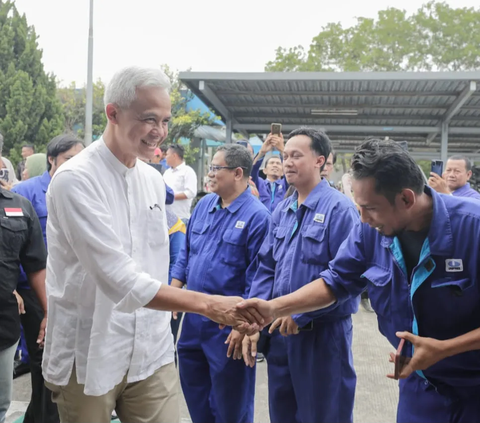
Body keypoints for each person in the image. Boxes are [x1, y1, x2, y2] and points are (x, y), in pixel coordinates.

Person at [42, 66, 257, 423]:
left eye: (165, 121)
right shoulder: (74, 181)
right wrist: (208, 305)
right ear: (112, 113)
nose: (159, 133)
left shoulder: (152, 181)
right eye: (149, 119)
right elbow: (118, 278)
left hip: (150, 349)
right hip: (91, 351)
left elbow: (157, 258)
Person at [238, 139, 480, 423]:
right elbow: (336, 280)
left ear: (406, 199)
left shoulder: (472, 229)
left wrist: (447, 348)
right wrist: (275, 308)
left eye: (370, 208)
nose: (362, 218)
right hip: (421, 384)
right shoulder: (371, 232)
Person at [243, 128, 359, 423]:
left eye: (296, 155)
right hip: (280, 335)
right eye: (284, 156)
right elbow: (266, 267)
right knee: (282, 414)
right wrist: (256, 317)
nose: (287, 162)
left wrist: (299, 314)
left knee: (323, 415)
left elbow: (348, 278)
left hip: (321, 337)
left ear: (320, 161)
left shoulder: (340, 209)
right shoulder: (282, 210)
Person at [171, 144, 270, 423]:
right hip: (194, 319)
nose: (210, 174)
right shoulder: (204, 205)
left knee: (230, 406)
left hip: (228, 327)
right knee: (195, 395)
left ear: (238, 173)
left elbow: (259, 278)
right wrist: (173, 291)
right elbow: (185, 253)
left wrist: (246, 326)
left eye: (216, 168)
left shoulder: (257, 217)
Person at [12, 134, 84, 423]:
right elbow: (16, 246)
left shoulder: (83, 190)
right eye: (68, 159)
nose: (75, 165)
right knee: (45, 360)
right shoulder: (26, 192)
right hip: (37, 291)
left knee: (71, 361)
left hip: (75, 290)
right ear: (51, 159)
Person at [0, 186, 47, 423]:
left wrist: (49, 312)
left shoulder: (20, 206)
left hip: (4, 327)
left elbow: (36, 265)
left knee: (0, 404)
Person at [251, 133, 287, 212]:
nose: (275, 165)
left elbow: (289, 167)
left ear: (282, 172)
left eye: (278, 163)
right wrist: (262, 152)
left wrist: (282, 150)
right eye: (271, 163)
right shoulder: (259, 183)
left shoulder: (286, 185)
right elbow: (252, 170)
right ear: (264, 170)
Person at [164, 144, 198, 222]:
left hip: (180, 218)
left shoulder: (188, 171)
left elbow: (191, 193)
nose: (165, 157)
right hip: (166, 218)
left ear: (174, 156)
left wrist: (171, 197)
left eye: (167, 154)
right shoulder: (167, 172)